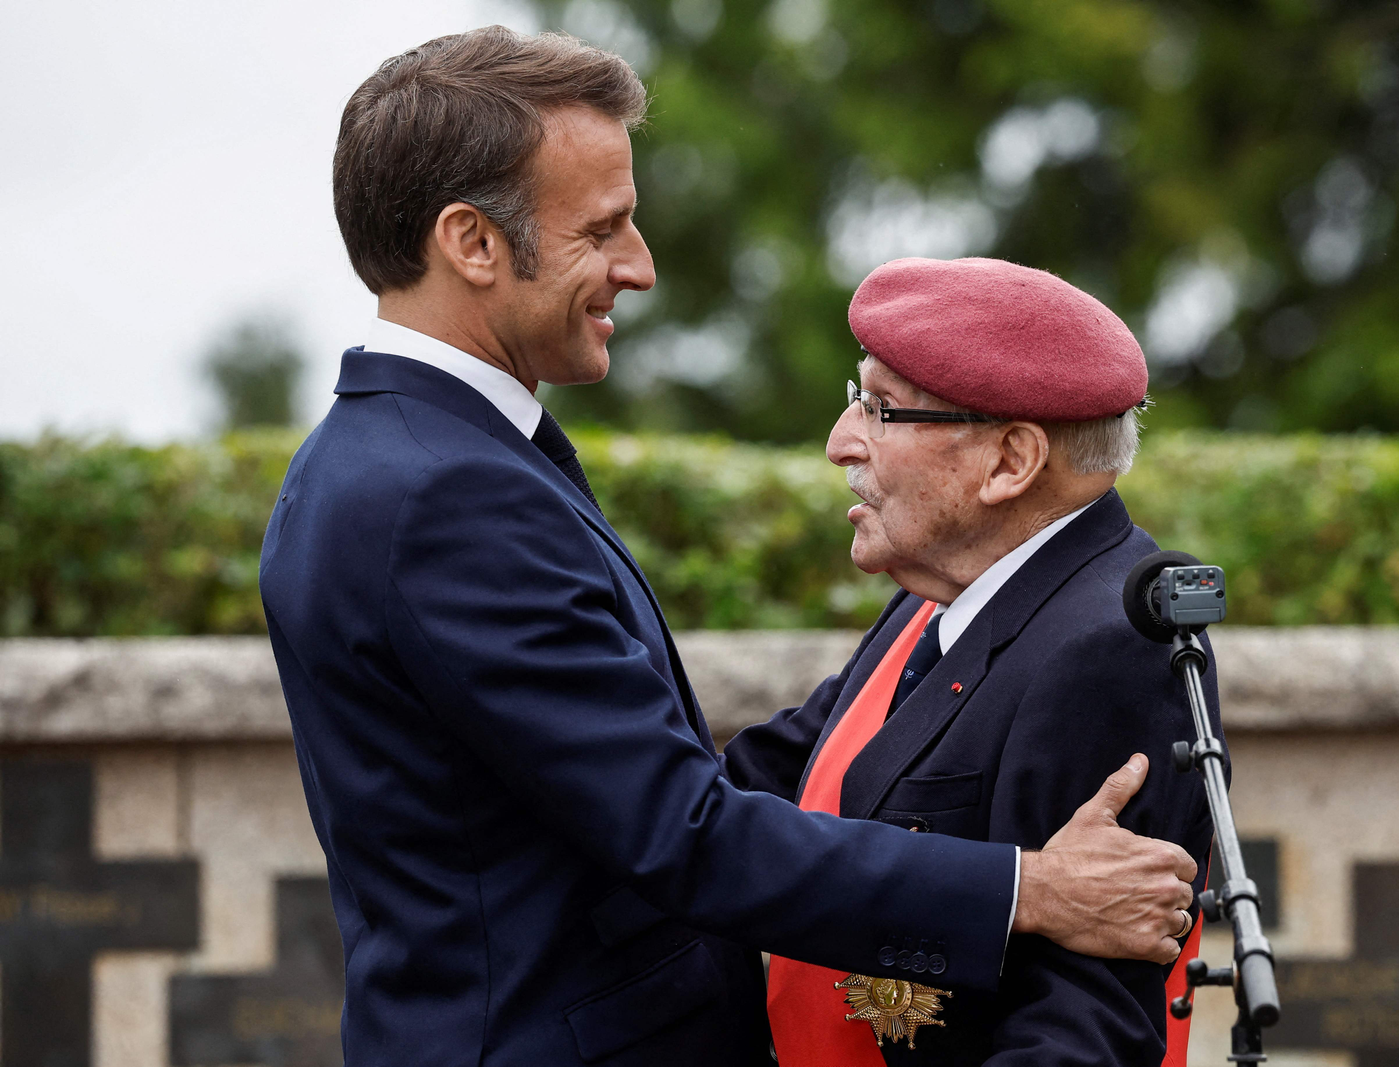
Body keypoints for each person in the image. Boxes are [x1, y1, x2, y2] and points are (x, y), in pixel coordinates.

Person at [259, 27, 1197, 1067]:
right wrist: (1030, 889)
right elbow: (681, 829)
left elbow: (707, 774)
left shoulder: (397, 455)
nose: (640, 267)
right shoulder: (442, 490)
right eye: (603, 228)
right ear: (473, 243)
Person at [726, 257, 1221, 1066]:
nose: (839, 442)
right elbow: (757, 786)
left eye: (882, 410)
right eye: (858, 398)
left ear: (1010, 462)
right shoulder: (941, 593)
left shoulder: (1111, 650)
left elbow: (1083, 1027)